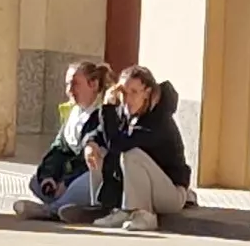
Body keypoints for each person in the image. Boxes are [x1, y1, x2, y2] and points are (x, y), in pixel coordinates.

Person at [64, 65, 192, 231]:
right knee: (98, 151)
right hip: (146, 190)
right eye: (123, 92)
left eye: (134, 92)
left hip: (171, 195)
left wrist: (108, 109)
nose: (127, 99)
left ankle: (144, 214)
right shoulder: (124, 113)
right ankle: (108, 208)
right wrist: (90, 144)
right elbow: (99, 133)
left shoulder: (158, 120)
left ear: (147, 92)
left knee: (131, 155)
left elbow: (119, 145)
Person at [18, 60, 116, 219]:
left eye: (75, 84)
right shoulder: (73, 113)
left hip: (93, 173)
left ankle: (52, 211)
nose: (70, 90)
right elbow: (59, 148)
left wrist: (67, 181)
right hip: (69, 173)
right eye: (67, 85)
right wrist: (50, 176)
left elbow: (89, 159)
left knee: (81, 184)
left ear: (93, 84)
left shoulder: (103, 114)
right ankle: (69, 206)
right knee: (36, 181)